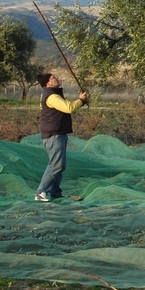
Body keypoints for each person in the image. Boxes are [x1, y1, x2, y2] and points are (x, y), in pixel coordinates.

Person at [35, 73, 89, 202]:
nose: (57, 78)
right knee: (55, 165)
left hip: (57, 134)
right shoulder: (52, 96)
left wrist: (81, 101)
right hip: (54, 135)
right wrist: (81, 100)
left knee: (60, 165)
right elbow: (68, 108)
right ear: (48, 84)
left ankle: (55, 192)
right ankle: (41, 192)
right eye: (53, 78)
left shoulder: (51, 94)